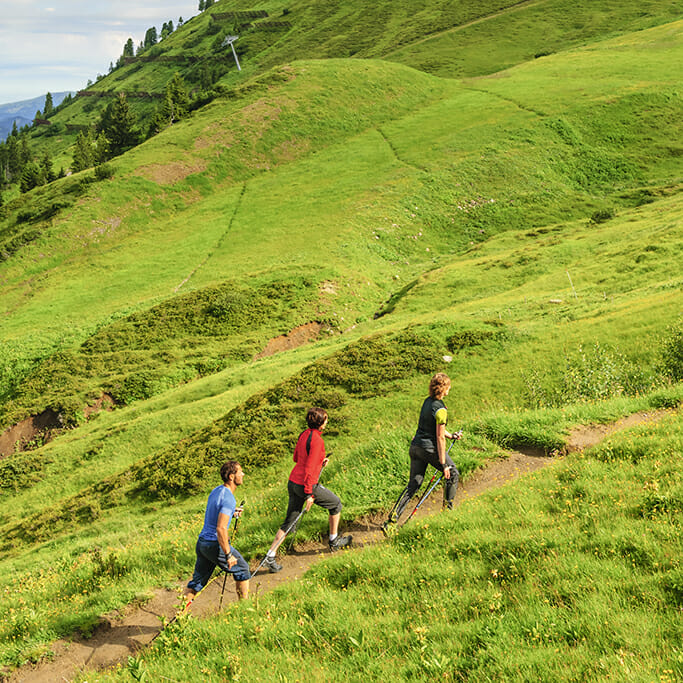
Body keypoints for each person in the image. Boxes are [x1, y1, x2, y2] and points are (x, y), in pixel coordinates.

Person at [261, 407, 352, 573]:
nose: (327, 422)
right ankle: (334, 541)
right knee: (336, 504)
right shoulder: (317, 441)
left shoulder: (303, 434)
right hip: (306, 485)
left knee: (289, 522)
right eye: (325, 419)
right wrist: (310, 494)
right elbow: (309, 469)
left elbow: (297, 458)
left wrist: (320, 461)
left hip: (293, 482)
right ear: (320, 423)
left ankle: (270, 556)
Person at [382, 372, 462, 534]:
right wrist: (444, 464)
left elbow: (437, 429)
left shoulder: (427, 402)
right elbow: (439, 438)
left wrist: (452, 435)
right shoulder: (441, 409)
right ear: (443, 388)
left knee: (414, 484)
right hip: (429, 448)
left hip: (416, 447)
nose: (450, 388)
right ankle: (447, 512)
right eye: (448, 386)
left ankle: (391, 522)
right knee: (452, 473)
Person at [185, 461, 250, 602]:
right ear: (232, 476)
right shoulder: (229, 499)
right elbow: (220, 528)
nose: (243, 474)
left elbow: (215, 513)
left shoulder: (216, 491)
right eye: (240, 472)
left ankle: (180, 617)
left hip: (202, 543)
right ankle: (245, 608)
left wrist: (231, 513)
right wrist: (228, 555)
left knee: (197, 583)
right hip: (214, 545)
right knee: (243, 569)